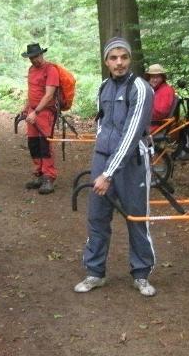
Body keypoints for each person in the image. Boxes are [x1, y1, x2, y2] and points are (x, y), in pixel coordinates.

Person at [74, 38, 157, 297]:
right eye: (113, 58)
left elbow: (132, 134)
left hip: (131, 163)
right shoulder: (103, 87)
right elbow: (102, 123)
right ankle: (95, 272)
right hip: (103, 157)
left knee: (136, 218)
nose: (119, 62)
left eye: (123, 57)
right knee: (97, 217)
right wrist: (101, 158)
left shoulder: (141, 88)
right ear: (106, 61)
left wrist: (108, 173)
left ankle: (141, 274)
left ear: (129, 59)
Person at [21, 42, 59, 195]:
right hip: (32, 111)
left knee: (45, 145)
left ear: (42, 54)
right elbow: (31, 91)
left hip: (44, 112)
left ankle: (48, 177)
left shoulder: (51, 70)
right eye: (31, 57)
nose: (34, 60)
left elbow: (49, 95)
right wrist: (25, 108)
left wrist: (36, 112)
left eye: (36, 56)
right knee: (33, 144)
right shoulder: (31, 70)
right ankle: (39, 174)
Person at [145, 63, 176, 133]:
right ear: (148, 78)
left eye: (157, 77)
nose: (155, 80)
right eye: (152, 77)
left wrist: (141, 110)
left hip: (154, 126)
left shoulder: (165, 91)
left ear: (162, 78)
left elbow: (160, 113)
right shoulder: (156, 89)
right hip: (149, 124)